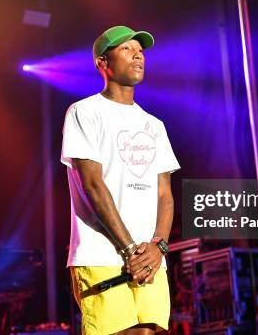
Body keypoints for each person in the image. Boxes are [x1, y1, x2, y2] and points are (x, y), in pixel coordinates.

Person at [61, 25, 180, 335]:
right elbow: (93, 186)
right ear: (103, 62)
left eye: (139, 50)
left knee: (147, 332)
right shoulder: (84, 112)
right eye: (126, 49)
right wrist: (129, 250)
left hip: (151, 258)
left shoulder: (154, 125)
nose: (137, 54)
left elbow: (165, 195)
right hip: (101, 252)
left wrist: (159, 248)